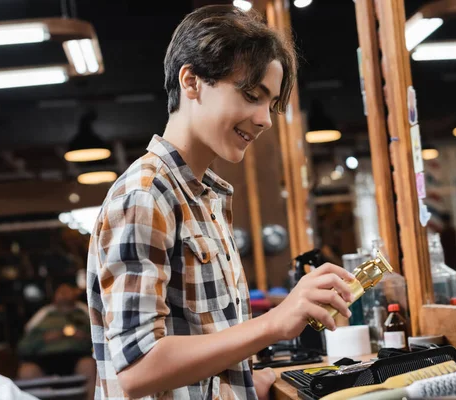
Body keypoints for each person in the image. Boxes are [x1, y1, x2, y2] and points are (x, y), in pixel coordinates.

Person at [87, 5, 355, 400]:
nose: (264, 118)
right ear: (191, 81)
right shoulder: (145, 195)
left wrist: (250, 381)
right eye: (251, 95)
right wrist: (275, 321)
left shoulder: (205, 196)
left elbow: (203, 350)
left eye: (271, 103)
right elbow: (139, 366)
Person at [17, 283, 95, 399]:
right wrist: (43, 339)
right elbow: (22, 347)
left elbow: (101, 341)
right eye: (60, 291)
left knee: (89, 365)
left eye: (67, 290)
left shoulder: (86, 315)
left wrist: (85, 337)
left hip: (77, 357)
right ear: (54, 296)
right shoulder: (42, 317)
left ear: (75, 294)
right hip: (44, 359)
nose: (64, 294)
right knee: (27, 371)